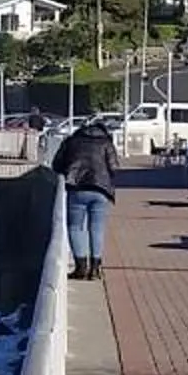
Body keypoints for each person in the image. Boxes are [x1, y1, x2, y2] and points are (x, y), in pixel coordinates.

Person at [53, 118, 117, 281]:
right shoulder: (106, 142)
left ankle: (81, 267)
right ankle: (95, 269)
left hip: (77, 188)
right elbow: (114, 166)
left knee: (75, 227)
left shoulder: (72, 141)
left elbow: (57, 164)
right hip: (101, 190)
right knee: (97, 228)